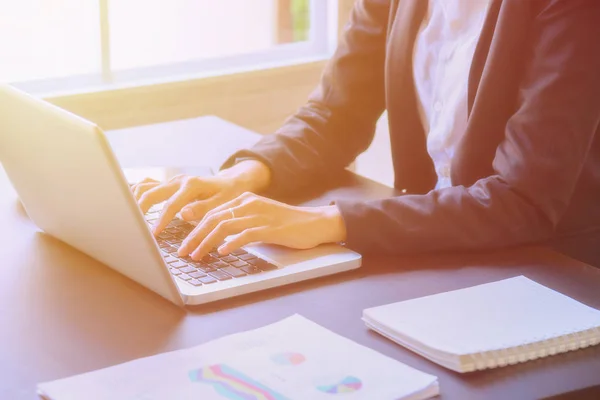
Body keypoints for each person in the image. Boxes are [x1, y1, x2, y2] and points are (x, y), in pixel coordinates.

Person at [131, 0, 600, 267]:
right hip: (434, 246)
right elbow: (336, 113)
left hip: (548, 272)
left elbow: (522, 201)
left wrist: (327, 222)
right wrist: (242, 178)